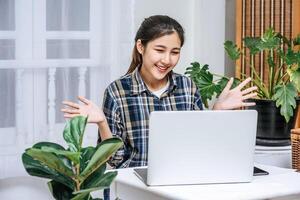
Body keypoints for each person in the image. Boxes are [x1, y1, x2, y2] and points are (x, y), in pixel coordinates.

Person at [61, 15, 257, 198]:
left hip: (179, 186)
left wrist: (217, 111)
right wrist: (102, 122)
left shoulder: (187, 87)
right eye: (159, 50)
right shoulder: (117, 91)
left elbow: (199, 147)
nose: (167, 60)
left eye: (175, 52)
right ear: (140, 46)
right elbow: (113, 162)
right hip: (132, 188)